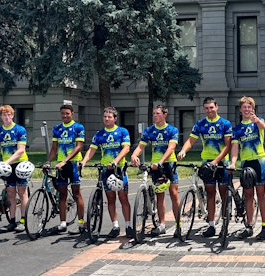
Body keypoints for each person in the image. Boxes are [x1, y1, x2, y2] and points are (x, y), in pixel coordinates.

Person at [177, 97, 232, 238]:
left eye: (211, 108)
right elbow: (190, 140)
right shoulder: (200, 124)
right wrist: (183, 150)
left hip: (221, 162)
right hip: (206, 162)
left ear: (216, 107)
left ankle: (225, 223)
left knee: (224, 192)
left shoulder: (225, 123)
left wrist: (215, 161)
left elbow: (228, 146)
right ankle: (211, 225)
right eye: (206, 108)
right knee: (210, 194)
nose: (209, 111)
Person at [80, 106, 133, 238]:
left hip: (119, 169)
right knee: (110, 198)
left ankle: (128, 225)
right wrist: (84, 161)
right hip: (105, 170)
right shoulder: (99, 134)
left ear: (115, 118)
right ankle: (115, 226)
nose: (107, 119)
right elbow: (91, 150)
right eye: (105, 117)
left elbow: (126, 148)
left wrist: (115, 161)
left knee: (123, 198)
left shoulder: (122, 131)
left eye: (109, 117)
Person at [130, 105, 181, 239]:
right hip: (155, 167)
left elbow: (171, 148)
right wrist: (134, 155)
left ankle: (178, 225)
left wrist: (161, 162)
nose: (155, 116)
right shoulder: (149, 130)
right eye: (153, 114)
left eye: (157, 113)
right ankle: (162, 225)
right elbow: (141, 146)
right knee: (160, 195)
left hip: (169, 164)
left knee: (174, 194)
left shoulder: (172, 130)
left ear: (165, 115)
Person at [228, 97, 265, 241]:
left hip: (259, 161)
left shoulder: (258, 122)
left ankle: (264, 227)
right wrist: (233, 162)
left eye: (249, 107)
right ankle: (250, 226)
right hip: (246, 163)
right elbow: (234, 148)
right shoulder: (237, 129)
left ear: (253, 108)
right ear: (240, 110)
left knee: (261, 194)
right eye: (244, 107)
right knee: (248, 195)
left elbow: (263, 126)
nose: (247, 109)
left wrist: (256, 120)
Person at [46, 103, 86, 234]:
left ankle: (81, 223)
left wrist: (65, 160)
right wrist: (48, 161)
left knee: (76, 193)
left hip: (73, 163)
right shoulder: (57, 128)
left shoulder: (78, 127)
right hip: (60, 164)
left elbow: (78, 146)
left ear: (72, 114)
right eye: (63, 113)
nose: (65, 116)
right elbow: (54, 148)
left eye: (67, 113)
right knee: (62, 194)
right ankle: (62, 223)